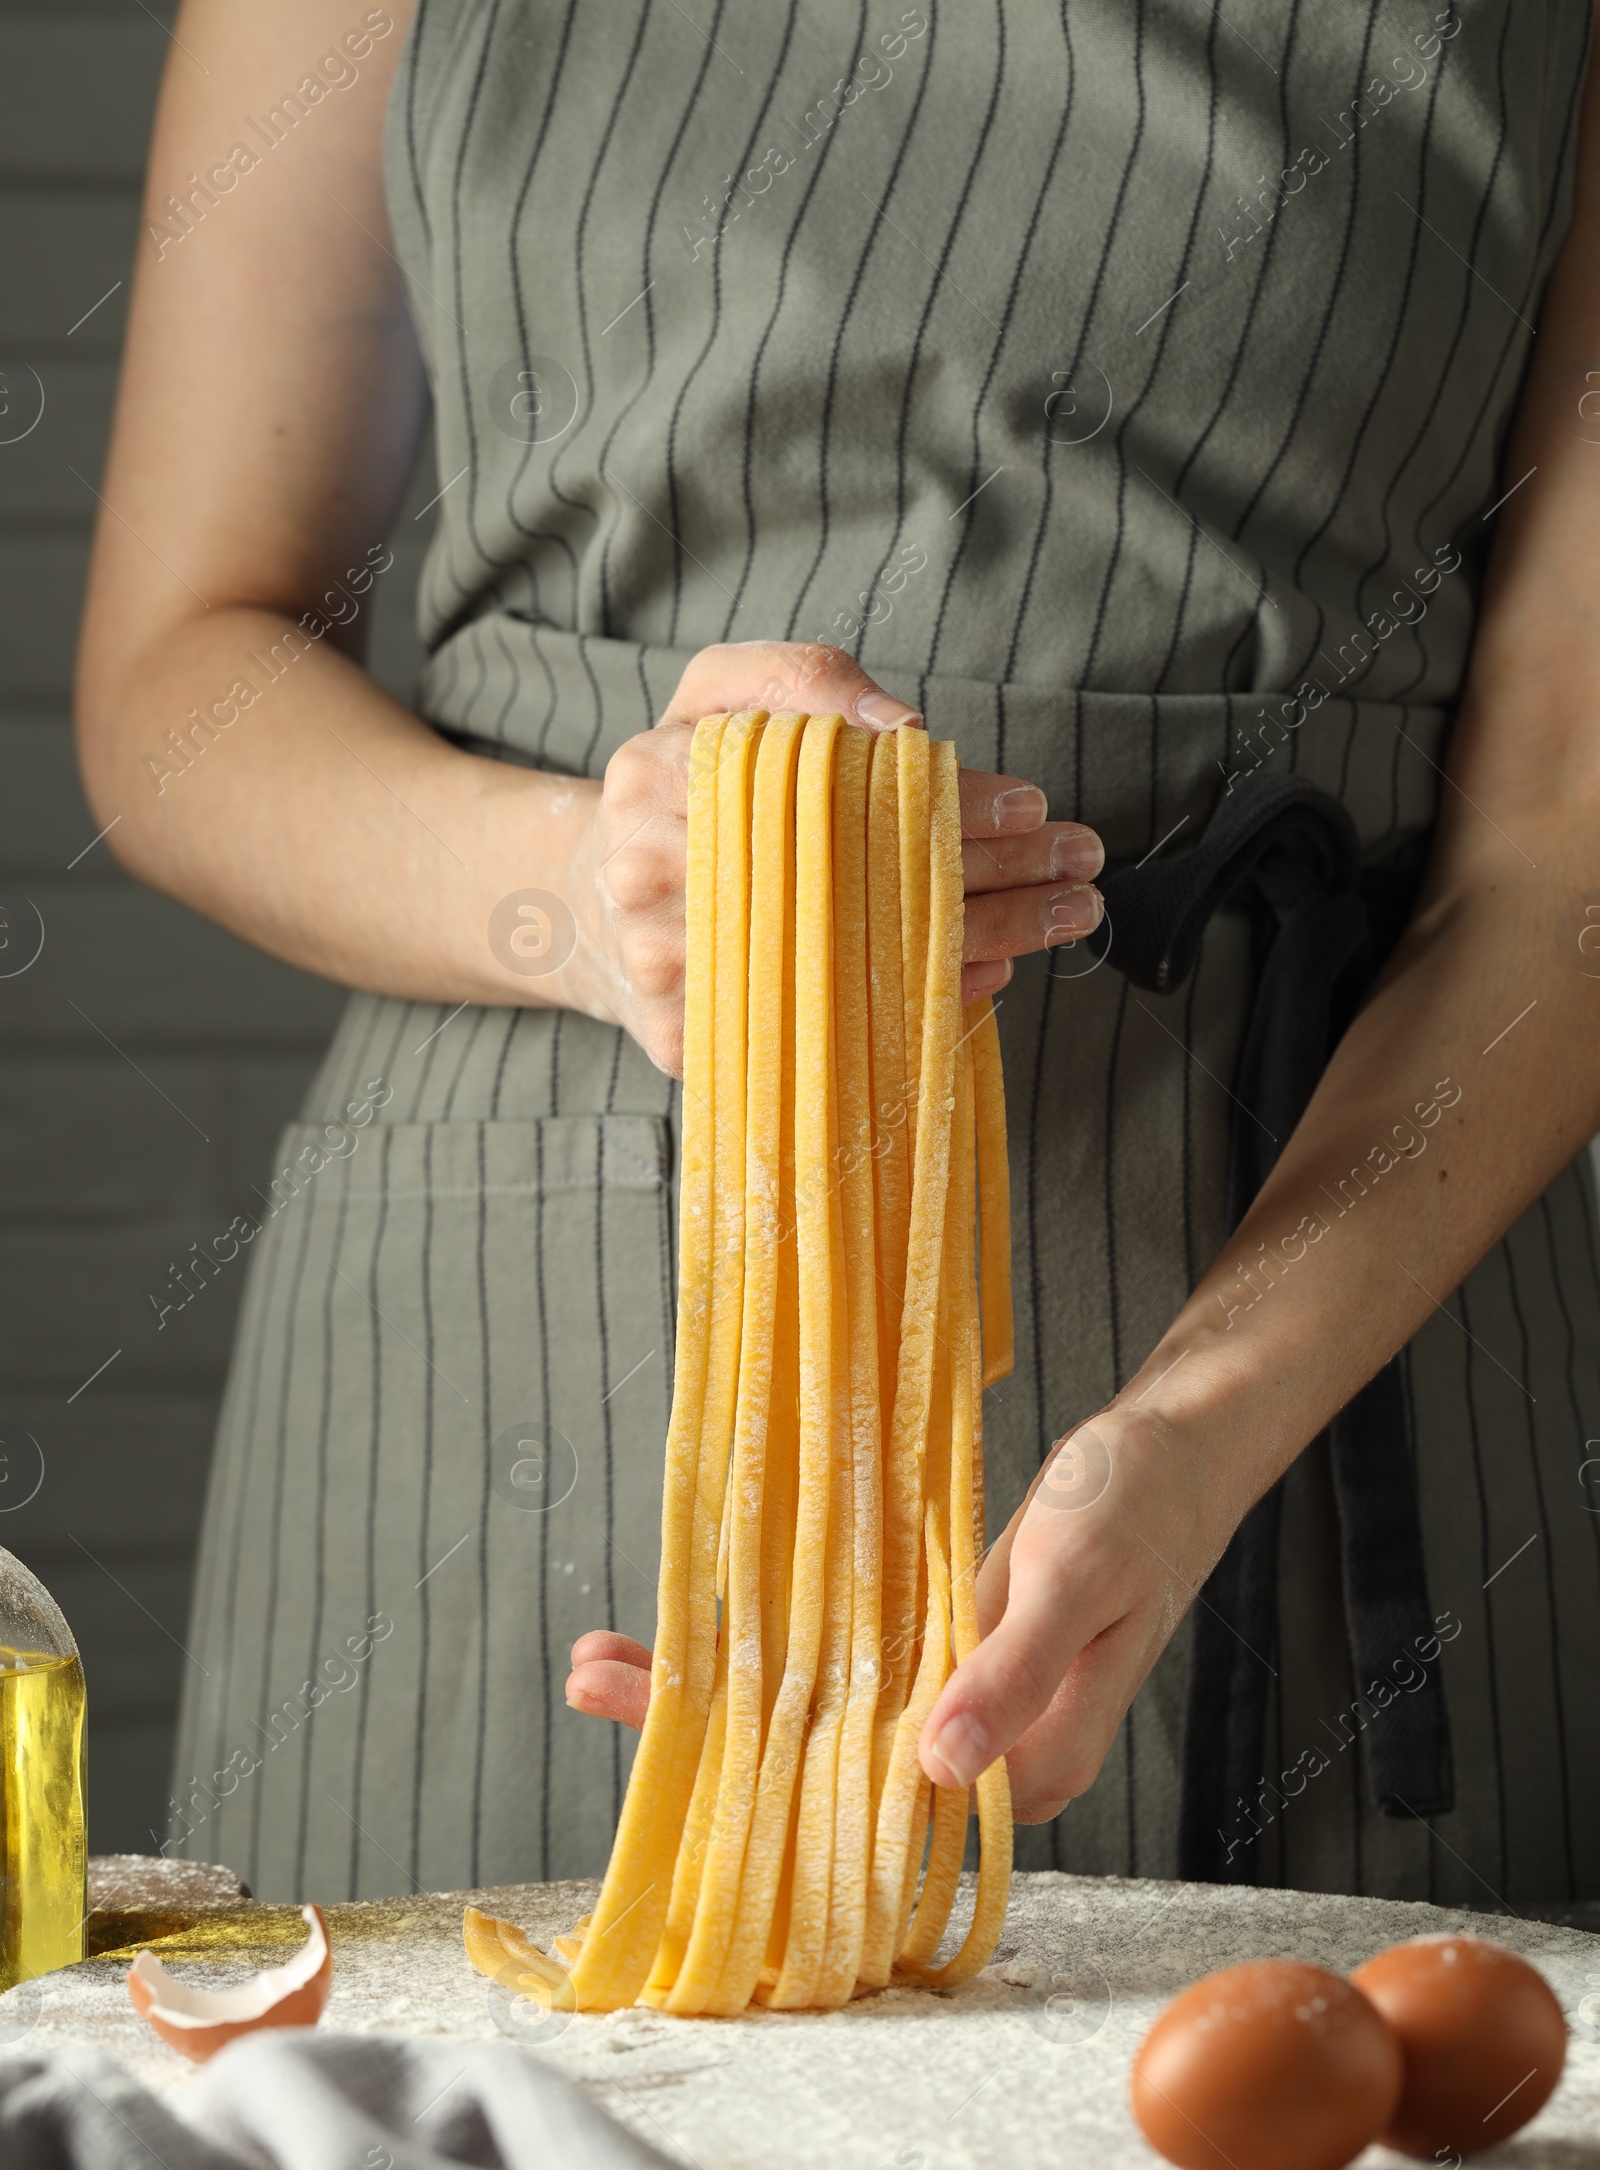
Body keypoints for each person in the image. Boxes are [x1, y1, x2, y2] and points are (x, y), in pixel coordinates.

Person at [79, 0, 1600, 1914]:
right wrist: (574, 880)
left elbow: (1565, 846)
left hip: (1333, 1300)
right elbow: (177, 676)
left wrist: (1203, 1440)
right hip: (521, 1314)